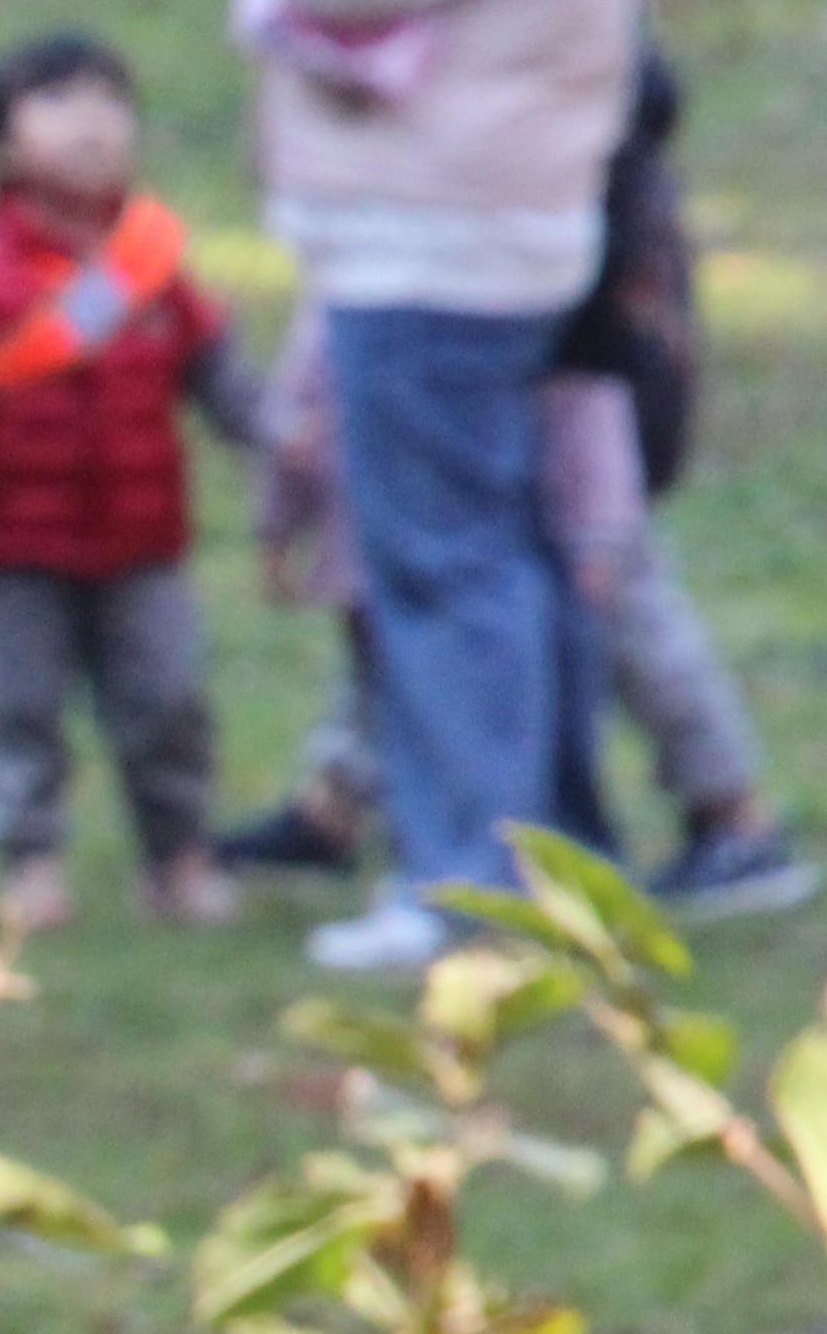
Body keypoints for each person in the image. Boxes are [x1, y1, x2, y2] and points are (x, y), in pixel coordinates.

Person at [232, 0, 667, 975]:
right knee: (504, 553)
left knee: (441, 570)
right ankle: (558, 862)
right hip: (497, 228)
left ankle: (471, 884)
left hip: (433, 244)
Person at [223, 311, 809, 919]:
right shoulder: (362, 287)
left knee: (640, 645)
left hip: (556, 505)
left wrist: (601, 527)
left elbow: (589, 390)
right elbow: (303, 401)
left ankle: (733, 818)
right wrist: (281, 518)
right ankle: (339, 811)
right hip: (405, 508)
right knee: (399, 665)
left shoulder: (528, 293)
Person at [0, 34, 263, 934]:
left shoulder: (154, 266)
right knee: (19, 707)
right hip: (13, 542)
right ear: (1, 149)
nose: (90, 123)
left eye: (108, 101)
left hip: (142, 538)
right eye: (56, 103)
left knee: (168, 702)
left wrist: (283, 443)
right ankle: (30, 860)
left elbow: (223, 383)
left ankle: (179, 856)